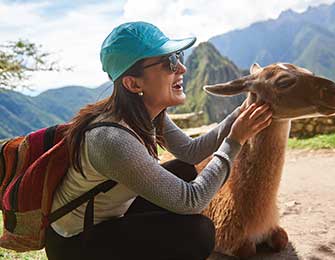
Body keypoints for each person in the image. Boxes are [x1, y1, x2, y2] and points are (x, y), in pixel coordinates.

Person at [44, 21, 272, 260]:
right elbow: (191, 200)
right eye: (170, 62)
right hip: (75, 243)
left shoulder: (146, 114)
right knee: (198, 234)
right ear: (133, 84)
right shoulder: (111, 139)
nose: (182, 68)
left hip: (111, 218)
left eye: (178, 56)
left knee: (183, 169)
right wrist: (235, 140)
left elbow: (191, 151)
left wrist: (241, 113)